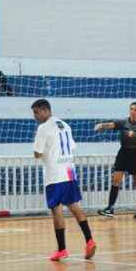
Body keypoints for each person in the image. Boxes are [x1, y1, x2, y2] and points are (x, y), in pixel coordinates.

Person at [32, 99, 97, 261]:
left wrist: (43, 151)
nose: (35, 116)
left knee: (56, 209)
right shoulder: (65, 125)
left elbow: (37, 153)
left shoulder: (43, 128)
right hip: (69, 171)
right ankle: (89, 240)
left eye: (37, 112)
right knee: (74, 206)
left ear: (45, 110)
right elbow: (72, 147)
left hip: (54, 174)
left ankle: (62, 249)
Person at [94, 102, 136, 218]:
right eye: (131, 109)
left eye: (135, 109)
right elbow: (111, 125)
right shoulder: (123, 122)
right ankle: (110, 208)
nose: (133, 111)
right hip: (123, 153)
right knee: (116, 179)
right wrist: (101, 126)